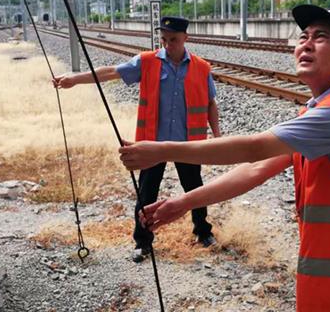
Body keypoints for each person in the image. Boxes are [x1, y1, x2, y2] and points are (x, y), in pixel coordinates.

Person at [119, 5, 330, 311]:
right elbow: (256, 169)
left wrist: (160, 149)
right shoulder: (325, 108)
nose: (305, 43)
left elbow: (254, 147)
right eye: (303, 36)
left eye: (321, 37)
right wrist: (183, 203)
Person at [52, 16, 221, 263]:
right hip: (152, 144)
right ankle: (143, 242)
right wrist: (75, 79)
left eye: (173, 39)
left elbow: (210, 103)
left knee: (195, 190)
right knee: (146, 194)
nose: (167, 44)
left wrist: (217, 137)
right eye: (164, 39)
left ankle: (202, 231)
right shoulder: (147, 62)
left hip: (187, 143)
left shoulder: (201, 67)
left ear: (186, 38)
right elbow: (111, 72)